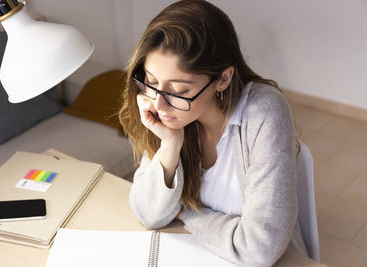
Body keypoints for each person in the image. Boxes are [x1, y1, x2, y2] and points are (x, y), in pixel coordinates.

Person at [118, 0, 307, 265]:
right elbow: (147, 213)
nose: (158, 105)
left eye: (179, 91)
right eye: (151, 82)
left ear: (223, 79)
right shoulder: (174, 116)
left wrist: (188, 213)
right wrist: (169, 146)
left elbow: (260, 249)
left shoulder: (263, 112)